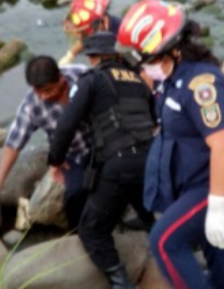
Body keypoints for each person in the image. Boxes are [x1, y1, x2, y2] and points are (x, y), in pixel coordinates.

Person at [117, 0, 224, 289]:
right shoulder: (172, 78)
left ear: (172, 50)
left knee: (165, 241)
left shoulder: (201, 84)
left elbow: (223, 145)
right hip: (198, 176)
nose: (147, 68)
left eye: (150, 60)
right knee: (210, 238)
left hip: (222, 178)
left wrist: (217, 207)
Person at [49, 32, 157, 289]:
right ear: (117, 54)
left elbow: (66, 124)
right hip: (149, 158)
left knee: (91, 231)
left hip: (118, 161)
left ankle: (121, 282)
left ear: (93, 57)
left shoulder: (92, 80)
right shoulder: (138, 81)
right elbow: (152, 121)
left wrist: (56, 159)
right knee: (131, 187)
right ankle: (154, 233)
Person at [0, 56, 90, 229]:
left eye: (48, 90)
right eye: (38, 91)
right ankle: (79, 232)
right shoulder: (31, 106)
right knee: (75, 195)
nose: (43, 96)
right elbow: (14, 143)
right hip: (71, 156)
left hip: (104, 143)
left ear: (61, 79)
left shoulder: (82, 75)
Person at [59, 0, 122, 66]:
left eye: (81, 33)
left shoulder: (121, 38)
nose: (78, 36)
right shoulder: (98, 28)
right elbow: (85, 39)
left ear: (98, 26)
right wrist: (69, 56)